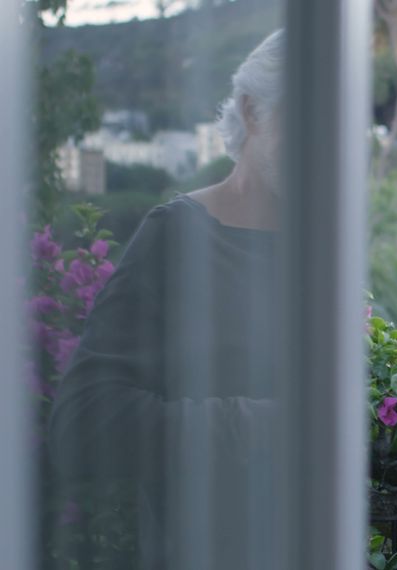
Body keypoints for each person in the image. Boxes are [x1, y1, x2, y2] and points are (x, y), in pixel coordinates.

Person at [49, 30, 285, 569]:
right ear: (251, 110)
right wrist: (270, 425)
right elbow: (83, 425)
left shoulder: (322, 250)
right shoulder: (177, 239)